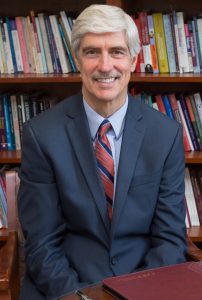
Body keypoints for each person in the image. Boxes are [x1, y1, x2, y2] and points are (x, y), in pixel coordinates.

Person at [18, 4, 187, 300]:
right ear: (77, 60)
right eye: (92, 52)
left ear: (133, 60)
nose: (105, 66)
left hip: (145, 285)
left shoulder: (166, 135)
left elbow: (170, 239)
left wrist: (139, 294)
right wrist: (79, 297)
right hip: (66, 288)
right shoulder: (41, 134)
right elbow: (42, 243)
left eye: (117, 52)